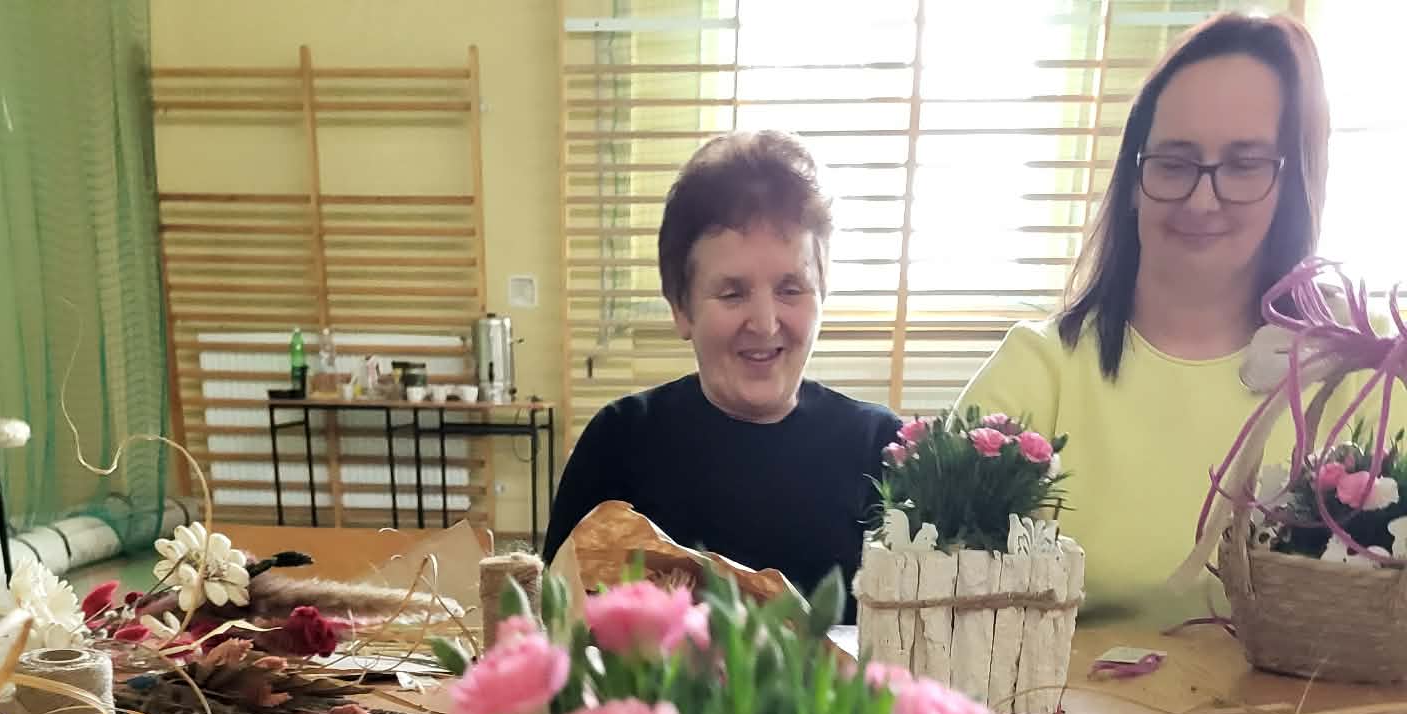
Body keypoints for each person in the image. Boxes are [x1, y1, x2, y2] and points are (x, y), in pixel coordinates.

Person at [958, 12, 1330, 617]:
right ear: (1134, 178)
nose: (1202, 199)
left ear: (1291, 186)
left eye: (1243, 165)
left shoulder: (1357, 382)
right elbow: (933, 601)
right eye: (1175, 163)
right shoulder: (1035, 374)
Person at [543, 130, 898, 617]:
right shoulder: (619, 445)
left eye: (791, 289)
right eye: (732, 293)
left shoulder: (881, 449)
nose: (765, 323)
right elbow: (552, 628)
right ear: (681, 307)